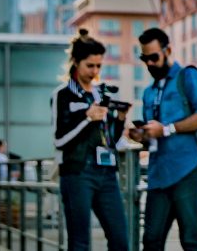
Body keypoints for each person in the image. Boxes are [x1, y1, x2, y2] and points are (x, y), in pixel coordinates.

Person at [127, 27, 197, 251]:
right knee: (151, 241)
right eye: (144, 58)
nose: (149, 63)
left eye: (154, 57)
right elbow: (154, 134)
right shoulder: (149, 91)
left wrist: (167, 129)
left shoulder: (188, 77)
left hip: (189, 170)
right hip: (158, 174)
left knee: (191, 241)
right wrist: (142, 135)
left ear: (168, 51)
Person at [54, 29, 130, 251]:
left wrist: (120, 120)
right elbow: (60, 141)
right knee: (80, 243)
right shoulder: (63, 94)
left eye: (99, 66)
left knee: (120, 240)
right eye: (90, 65)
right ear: (76, 62)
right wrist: (87, 118)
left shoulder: (100, 93)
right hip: (77, 172)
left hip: (106, 172)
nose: (95, 71)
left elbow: (109, 140)